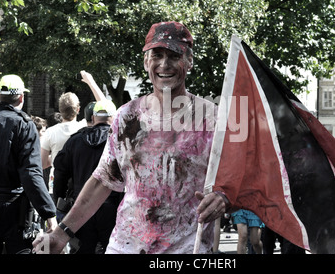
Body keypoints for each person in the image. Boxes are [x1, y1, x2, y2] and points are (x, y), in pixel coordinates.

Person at [33, 21, 228, 254]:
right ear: (146, 62)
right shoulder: (127, 117)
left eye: (174, 55)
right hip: (126, 246)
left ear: (189, 61)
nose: (164, 64)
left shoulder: (213, 119)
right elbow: (102, 181)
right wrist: (60, 235)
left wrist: (225, 198)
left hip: (187, 250)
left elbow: (240, 181)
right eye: (157, 55)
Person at [0, 74, 57, 254]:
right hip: (13, 209)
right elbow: (31, 173)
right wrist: (49, 213)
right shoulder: (24, 124)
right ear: (22, 98)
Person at [53, 100, 124, 254]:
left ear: (93, 118)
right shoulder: (119, 142)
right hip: (112, 209)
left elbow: (60, 173)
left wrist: (59, 203)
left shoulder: (74, 141)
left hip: (80, 209)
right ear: (113, 118)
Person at [41, 71, 106, 195]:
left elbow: (43, 163)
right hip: (80, 185)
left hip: (56, 186)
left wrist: (54, 157)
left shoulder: (50, 133)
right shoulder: (83, 127)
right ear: (78, 109)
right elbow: (105, 106)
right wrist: (91, 82)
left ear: (60, 110)